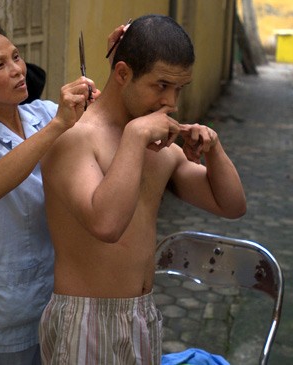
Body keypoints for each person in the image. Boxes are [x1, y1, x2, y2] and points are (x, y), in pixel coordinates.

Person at [39, 14, 247, 364]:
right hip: (86, 320)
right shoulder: (76, 140)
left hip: (141, 315)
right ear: (123, 74)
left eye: (179, 88)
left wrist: (214, 149)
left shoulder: (159, 146)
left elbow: (231, 205)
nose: (171, 103)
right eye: (161, 85)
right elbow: (106, 225)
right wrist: (134, 138)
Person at [0, 22, 101, 364]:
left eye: (16, 56)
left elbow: (102, 132)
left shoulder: (40, 113)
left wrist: (124, 57)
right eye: (0, 65)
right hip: (2, 310)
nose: (17, 70)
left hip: (55, 293)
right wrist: (59, 125)